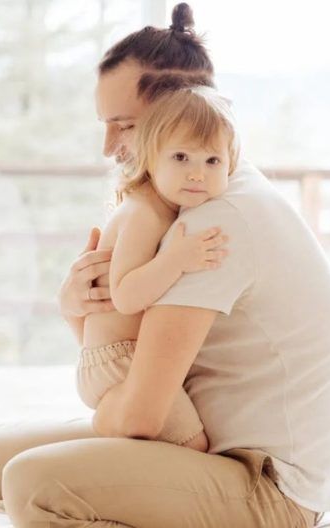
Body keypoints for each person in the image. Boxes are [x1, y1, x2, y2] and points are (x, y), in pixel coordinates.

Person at [0, 4, 330, 527]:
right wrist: (77, 310)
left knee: (33, 481)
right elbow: (129, 362)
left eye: (124, 126)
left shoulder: (214, 222)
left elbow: (141, 414)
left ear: (180, 113)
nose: (108, 147)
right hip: (191, 437)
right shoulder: (179, 203)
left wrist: (106, 423)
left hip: (267, 485)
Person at [77, 86, 239, 454]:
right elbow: (125, 295)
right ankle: (109, 423)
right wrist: (175, 261)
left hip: (118, 357)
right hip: (118, 360)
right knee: (193, 446)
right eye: (181, 157)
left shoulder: (164, 206)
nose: (197, 174)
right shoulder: (144, 213)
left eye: (212, 161)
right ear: (151, 158)